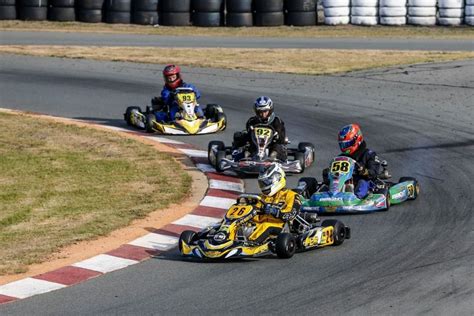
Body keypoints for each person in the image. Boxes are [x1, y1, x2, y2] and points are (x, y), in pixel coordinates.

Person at [250, 163, 301, 243]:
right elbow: (256, 215)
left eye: (266, 182)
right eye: (262, 183)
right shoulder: (263, 197)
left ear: (277, 179)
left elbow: (291, 214)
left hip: (280, 227)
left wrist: (275, 212)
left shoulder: (291, 195)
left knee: (266, 226)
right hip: (260, 225)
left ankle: (251, 244)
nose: (263, 186)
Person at [232, 96, 287, 161]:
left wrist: (277, 135)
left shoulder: (277, 121)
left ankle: (272, 159)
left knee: (277, 148)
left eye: (265, 111)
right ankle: (246, 159)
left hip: (272, 145)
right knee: (246, 148)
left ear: (270, 110)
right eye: (260, 112)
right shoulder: (252, 121)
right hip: (256, 145)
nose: (263, 114)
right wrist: (250, 132)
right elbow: (248, 137)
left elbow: (282, 138)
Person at [337, 123, 382, 199]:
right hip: (345, 182)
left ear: (357, 139)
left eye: (347, 144)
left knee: (362, 183)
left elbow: (374, 172)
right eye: (343, 145)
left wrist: (365, 171)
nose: (345, 147)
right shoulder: (341, 157)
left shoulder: (369, 154)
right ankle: (328, 196)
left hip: (366, 182)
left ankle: (356, 198)